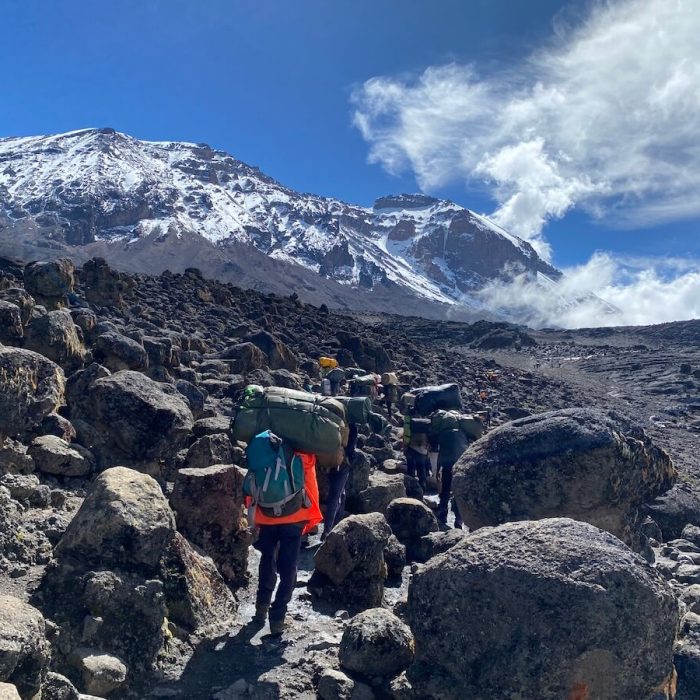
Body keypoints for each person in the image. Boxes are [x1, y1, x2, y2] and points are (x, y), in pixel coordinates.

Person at [252, 449, 322, 635]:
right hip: (295, 517)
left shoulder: (265, 446)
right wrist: (311, 519)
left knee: (267, 558)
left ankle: (261, 607)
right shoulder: (304, 452)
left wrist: (255, 515)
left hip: (267, 513)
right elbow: (311, 486)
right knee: (289, 565)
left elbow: (253, 480)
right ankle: (278, 617)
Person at [322, 422, 358, 540]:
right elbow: (351, 448)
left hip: (324, 460)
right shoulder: (351, 425)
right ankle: (327, 531)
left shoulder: (329, 420)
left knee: (340, 493)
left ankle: (337, 523)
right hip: (342, 463)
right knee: (335, 496)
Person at [433, 424, 470, 529]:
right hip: (460, 469)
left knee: (445, 491)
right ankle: (458, 521)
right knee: (458, 494)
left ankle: (443, 515)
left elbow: (441, 454)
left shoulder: (444, 436)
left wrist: (437, 470)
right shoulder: (463, 434)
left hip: (447, 469)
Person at [403, 410, 429, 492]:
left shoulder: (409, 422)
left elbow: (406, 434)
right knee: (421, 467)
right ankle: (423, 487)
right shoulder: (426, 422)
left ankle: (410, 488)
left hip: (411, 446)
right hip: (423, 447)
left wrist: (405, 445)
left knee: (411, 468)